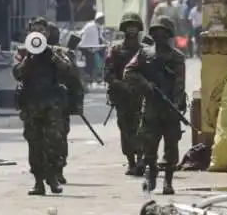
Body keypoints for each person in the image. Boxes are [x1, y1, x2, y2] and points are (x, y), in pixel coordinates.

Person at [124, 16, 186, 195]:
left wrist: (175, 103)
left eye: (163, 32)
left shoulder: (177, 57)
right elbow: (129, 72)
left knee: (171, 147)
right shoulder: (144, 54)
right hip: (151, 106)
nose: (159, 35)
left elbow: (179, 84)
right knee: (149, 146)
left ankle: (168, 181)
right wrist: (146, 85)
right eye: (156, 32)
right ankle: (151, 174)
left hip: (170, 107)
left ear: (168, 34)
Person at [13, 17, 75, 195]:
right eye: (35, 29)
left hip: (52, 106)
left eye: (42, 30)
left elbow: (69, 70)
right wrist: (28, 60)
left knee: (54, 142)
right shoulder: (24, 52)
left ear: (47, 33)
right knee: (35, 144)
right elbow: (16, 73)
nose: (38, 33)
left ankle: (53, 177)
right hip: (31, 105)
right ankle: (38, 181)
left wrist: (56, 59)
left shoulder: (55, 51)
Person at [104, 12, 146, 176]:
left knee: (142, 128)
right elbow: (108, 73)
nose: (131, 29)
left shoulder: (145, 50)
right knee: (125, 129)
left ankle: (142, 159)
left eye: (134, 26)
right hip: (122, 97)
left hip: (141, 96)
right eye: (128, 26)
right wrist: (121, 85)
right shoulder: (116, 50)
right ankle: (131, 161)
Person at [48, 21, 84, 185]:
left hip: (59, 104)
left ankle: (58, 169)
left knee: (59, 138)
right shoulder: (33, 52)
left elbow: (75, 80)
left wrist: (77, 103)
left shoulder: (63, 54)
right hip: (39, 103)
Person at [79, 12, 105, 82]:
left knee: (103, 56)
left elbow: (100, 37)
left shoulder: (100, 27)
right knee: (90, 58)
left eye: (103, 19)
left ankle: (100, 75)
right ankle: (88, 75)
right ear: (97, 19)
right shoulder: (90, 25)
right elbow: (81, 33)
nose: (103, 21)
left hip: (95, 47)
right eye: (102, 19)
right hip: (85, 47)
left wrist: (105, 42)